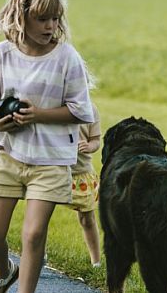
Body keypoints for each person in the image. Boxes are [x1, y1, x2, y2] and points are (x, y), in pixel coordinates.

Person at [0, 0, 94, 293]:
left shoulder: (66, 57)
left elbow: (82, 110)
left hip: (52, 161)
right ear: (20, 16)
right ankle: (4, 272)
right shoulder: (1, 54)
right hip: (9, 156)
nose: (50, 25)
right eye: (42, 18)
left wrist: (38, 114)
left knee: (33, 235)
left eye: (55, 18)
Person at [67, 103, 102, 268]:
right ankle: (39, 254)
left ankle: (96, 261)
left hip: (81, 173)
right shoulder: (55, 104)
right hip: (53, 170)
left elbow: (96, 140)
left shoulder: (90, 108)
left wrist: (90, 146)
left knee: (87, 219)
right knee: (42, 215)